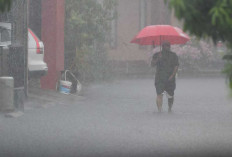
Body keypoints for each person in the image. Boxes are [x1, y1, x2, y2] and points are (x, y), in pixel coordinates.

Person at [151, 41, 179, 113]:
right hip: (159, 78)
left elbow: (176, 66)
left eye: (168, 46)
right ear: (162, 47)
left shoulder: (173, 55)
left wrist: (172, 75)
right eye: (165, 46)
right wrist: (158, 59)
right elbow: (152, 64)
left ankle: (169, 108)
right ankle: (159, 110)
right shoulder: (157, 55)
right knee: (159, 94)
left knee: (170, 95)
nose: (166, 47)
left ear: (169, 47)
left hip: (170, 79)